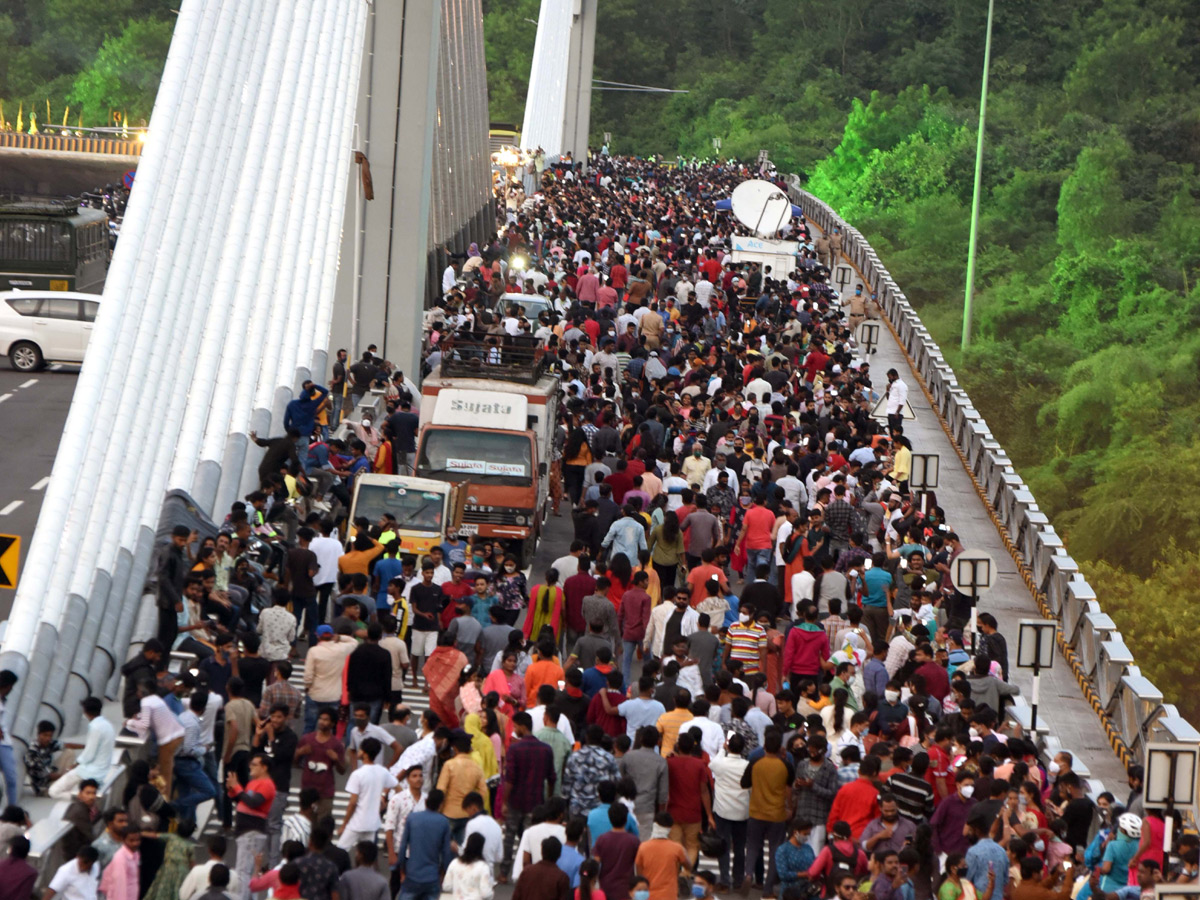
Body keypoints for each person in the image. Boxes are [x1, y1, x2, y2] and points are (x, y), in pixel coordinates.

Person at [226, 752, 276, 900]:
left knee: (243, 870)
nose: (250, 767)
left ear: (264, 767)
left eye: (254, 764)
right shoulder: (252, 782)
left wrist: (238, 788)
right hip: (245, 832)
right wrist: (232, 789)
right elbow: (243, 802)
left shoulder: (267, 784)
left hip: (252, 832)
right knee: (245, 869)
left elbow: (254, 803)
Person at [397, 789, 455, 900]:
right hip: (432, 876)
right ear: (441, 804)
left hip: (412, 874)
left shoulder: (412, 818)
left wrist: (402, 871)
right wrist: (443, 874)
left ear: (426, 801)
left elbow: (403, 846)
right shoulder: (443, 822)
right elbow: (446, 852)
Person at [635, 813, 690, 900]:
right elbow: (688, 865)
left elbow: (639, 874)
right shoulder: (677, 848)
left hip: (649, 895)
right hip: (669, 895)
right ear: (669, 829)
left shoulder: (643, 847)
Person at [593, 804, 641, 900]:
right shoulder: (633, 841)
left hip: (606, 888)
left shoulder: (601, 839)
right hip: (626, 889)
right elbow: (639, 865)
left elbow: (596, 865)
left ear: (610, 819)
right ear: (626, 819)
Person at [513, 836, 571, 900]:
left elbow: (517, 896)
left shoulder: (527, 871)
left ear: (542, 852)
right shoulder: (562, 877)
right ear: (559, 855)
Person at [444, 832, 496, 900]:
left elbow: (446, 886)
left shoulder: (455, 863)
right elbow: (485, 894)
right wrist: (491, 891)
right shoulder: (483, 867)